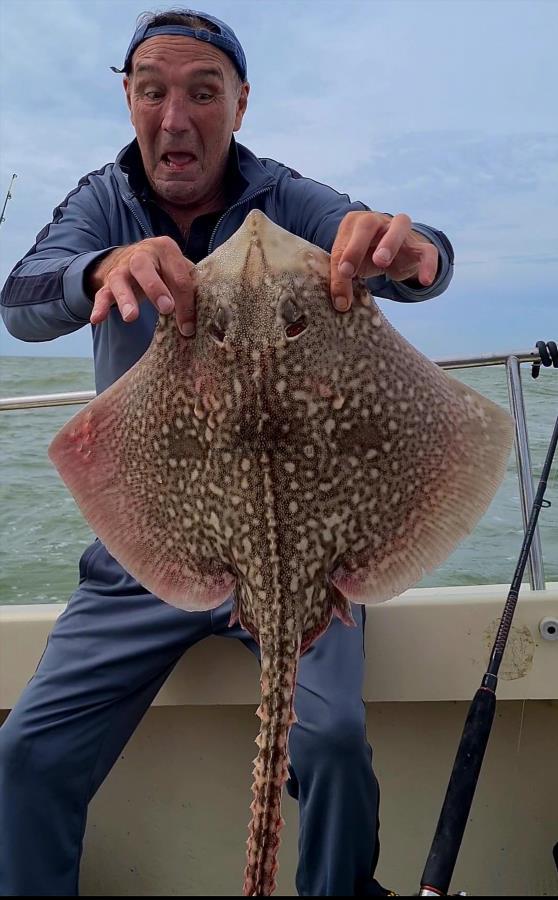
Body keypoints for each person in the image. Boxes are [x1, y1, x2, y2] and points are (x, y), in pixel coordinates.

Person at [0, 9, 454, 897]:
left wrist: (415, 255)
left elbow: (415, 255)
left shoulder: (287, 196)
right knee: (26, 750)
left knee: (330, 744)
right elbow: (19, 298)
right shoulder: (105, 197)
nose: (176, 118)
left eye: (203, 93)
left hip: (307, 545)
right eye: (152, 91)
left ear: (239, 104)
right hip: (150, 547)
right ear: (127, 100)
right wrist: (100, 270)